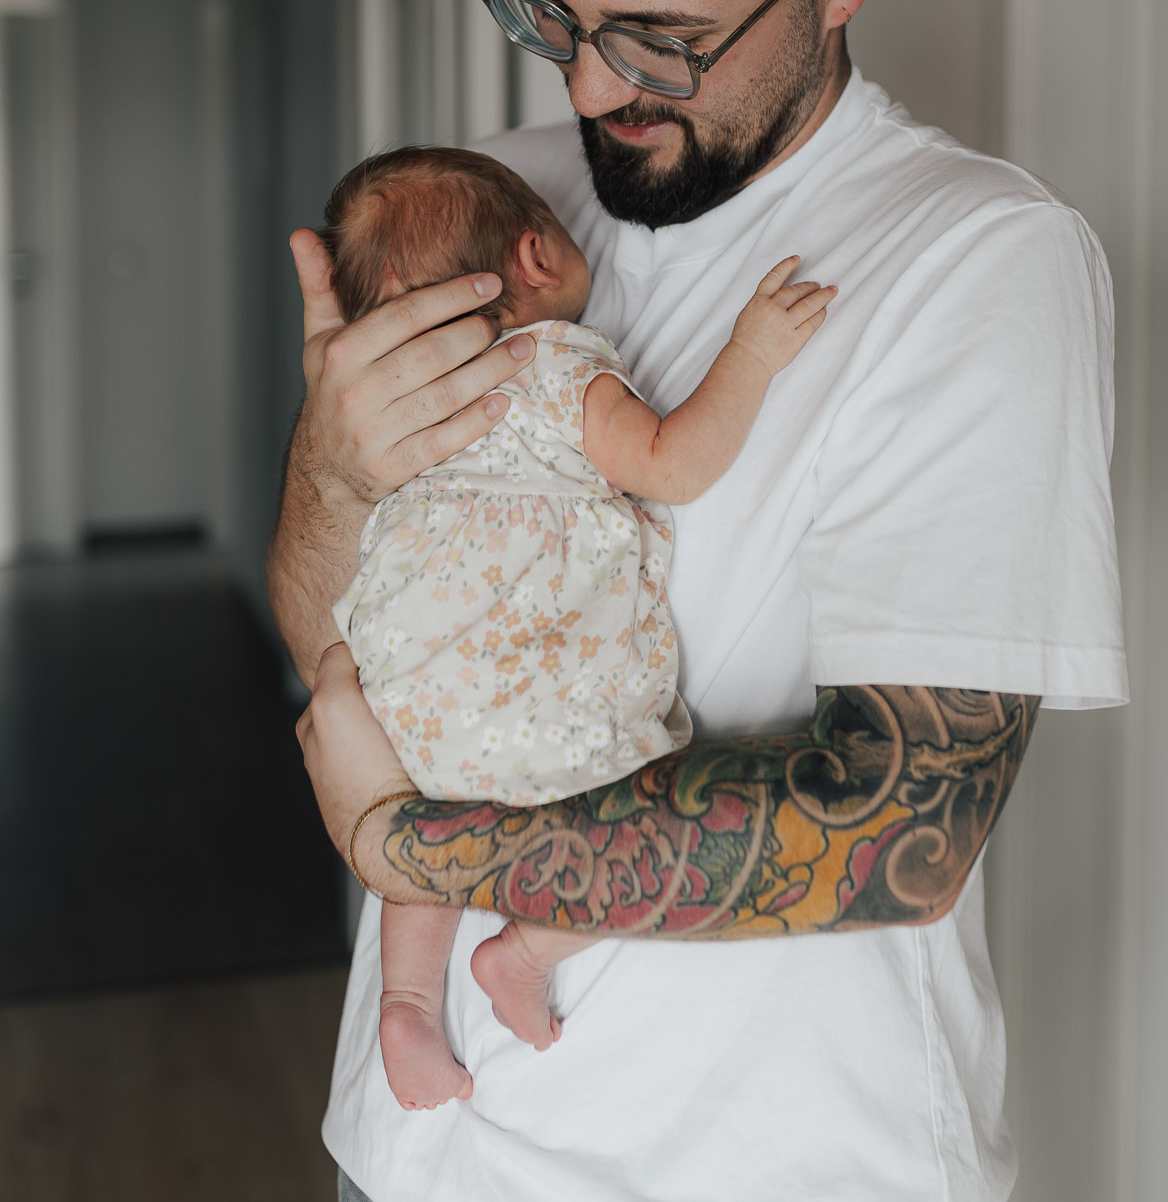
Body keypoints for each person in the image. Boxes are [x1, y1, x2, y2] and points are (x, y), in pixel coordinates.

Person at [270, 0, 1127, 1202]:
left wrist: (409, 849)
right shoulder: (501, 206)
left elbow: (896, 823)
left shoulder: (975, 264)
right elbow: (336, 639)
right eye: (552, 9)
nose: (591, 84)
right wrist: (328, 470)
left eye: (659, 37)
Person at [321, 143, 833, 1108]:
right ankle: (526, 951)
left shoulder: (411, 420)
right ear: (537, 261)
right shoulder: (553, 368)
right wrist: (752, 353)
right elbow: (671, 463)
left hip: (404, 695)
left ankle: (409, 1003)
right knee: (649, 822)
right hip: (537, 697)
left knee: (422, 824)